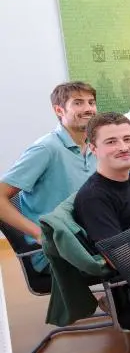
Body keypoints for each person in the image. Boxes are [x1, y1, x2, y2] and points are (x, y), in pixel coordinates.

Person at [74, 112, 130, 350]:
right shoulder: (94, 197)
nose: (124, 147)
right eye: (111, 142)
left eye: (127, 139)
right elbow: (120, 258)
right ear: (93, 148)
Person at [0, 82, 98, 272]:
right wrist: (39, 235)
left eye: (91, 102)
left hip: (89, 240)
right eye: (78, 103)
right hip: (55, 251)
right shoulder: (46, 148)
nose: (88, 109)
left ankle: (116, 300)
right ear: (59, 110)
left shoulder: (94, 146)